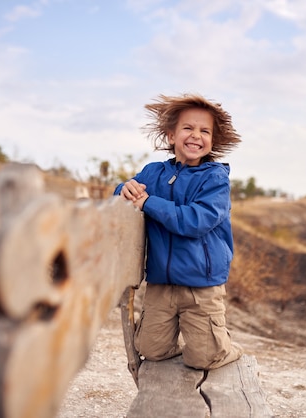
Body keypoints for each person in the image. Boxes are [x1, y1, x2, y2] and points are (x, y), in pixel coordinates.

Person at [114, 93, 243, 370]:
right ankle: (192, 340)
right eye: (188, 128)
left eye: (204, 131)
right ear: (171, 136)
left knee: (204, 359)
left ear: (212, 141)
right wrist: (123, 189)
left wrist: (148, 202)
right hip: (161, 282)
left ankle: (222, 346)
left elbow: (194, 221)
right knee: (151, 350)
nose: (196, 135)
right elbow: (125, 193)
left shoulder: (215, 179)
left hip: (201, 284)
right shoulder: (153, 173)